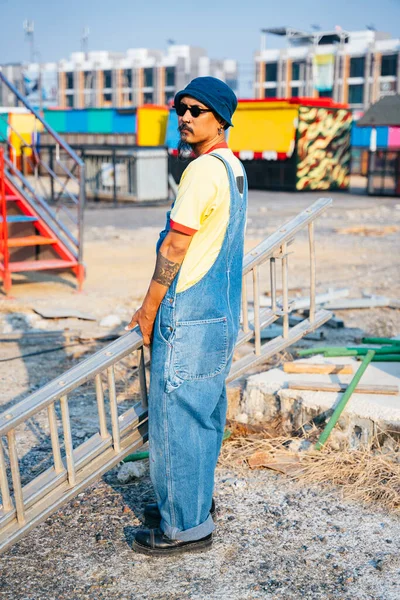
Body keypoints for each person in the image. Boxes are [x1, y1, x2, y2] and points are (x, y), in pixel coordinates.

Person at [125, 76, 248, 556]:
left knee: (178, 418)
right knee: (203, 415)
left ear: (220, 118)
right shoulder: (233, 168)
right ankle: (192, 505)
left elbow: (177, 245)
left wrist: (148, 308)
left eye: (197, 110)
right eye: (181, 108)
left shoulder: (201, 172)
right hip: (218, 314)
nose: (186, 116)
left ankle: (183, 528)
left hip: (190, 314)